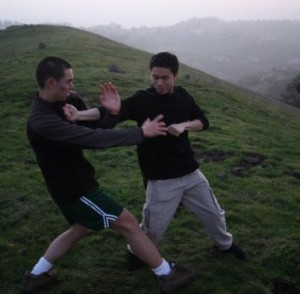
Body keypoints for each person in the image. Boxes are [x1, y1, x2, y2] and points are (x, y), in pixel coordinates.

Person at [21, 56, 196, 293]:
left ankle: (37, 274)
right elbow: (93, 140)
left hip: (78, 183)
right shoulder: (42, 122)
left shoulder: (67, 102)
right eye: (68, 81)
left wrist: (113, 112)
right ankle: (166, 273)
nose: (72, 86)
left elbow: (97, 128)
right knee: (128, 223)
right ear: (51, 82)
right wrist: (141, 133)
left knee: (80, 227)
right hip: (74, 190)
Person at [64, 52, 247, 272]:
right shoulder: (143, 99)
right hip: (161, 179)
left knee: (214, 214)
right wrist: (79, 115)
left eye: (165, 78)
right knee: (153, 227)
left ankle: (225, 245)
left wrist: (184, 126)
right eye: (155, 77)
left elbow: (203, 121)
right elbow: (110, 110)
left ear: (175, 76)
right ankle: (136, 252)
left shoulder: (183, 96)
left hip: (190, 173)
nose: (159, 82)